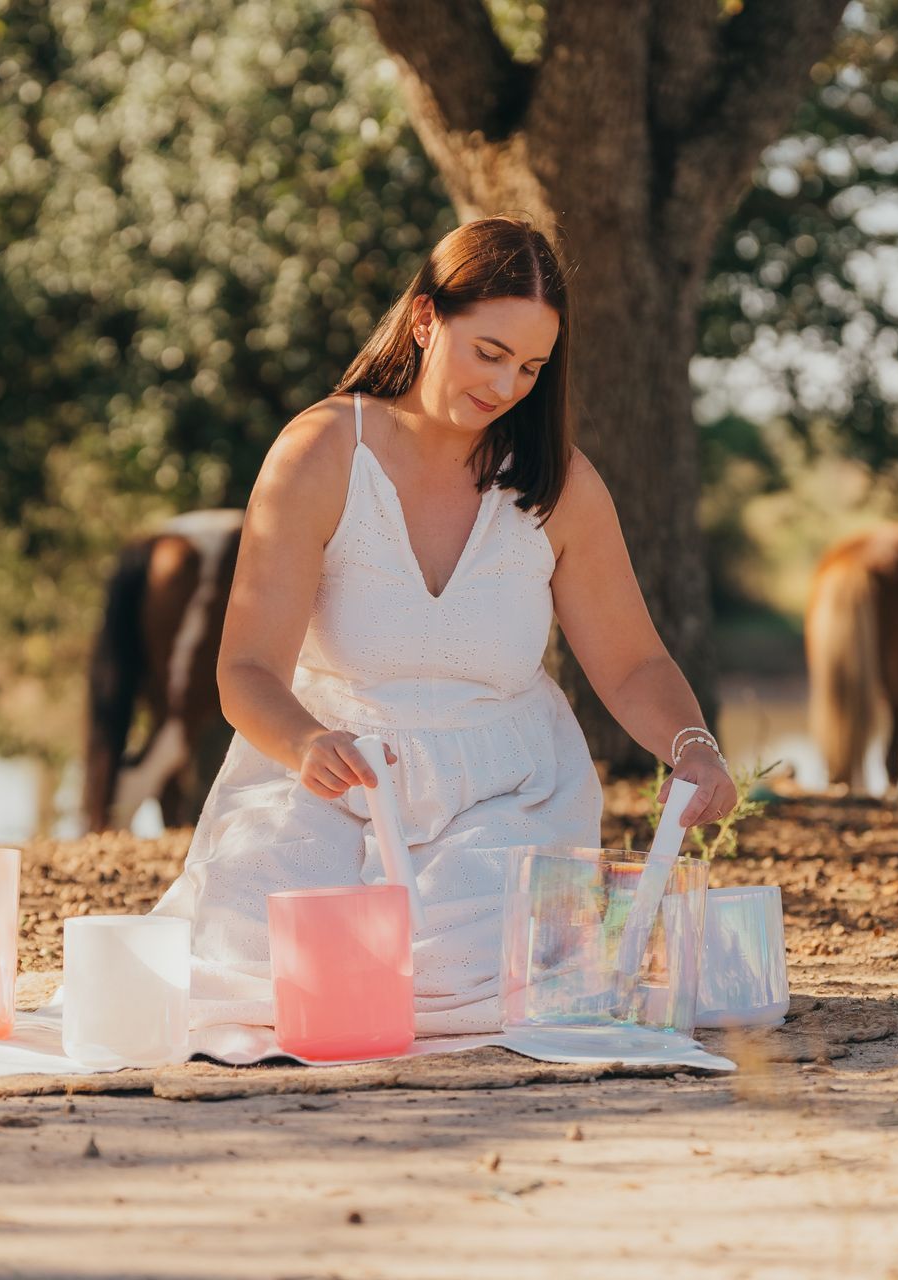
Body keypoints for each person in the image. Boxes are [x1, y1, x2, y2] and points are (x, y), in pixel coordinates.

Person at [151, 216, 737, 1056]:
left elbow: (634, 661)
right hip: (327, 778)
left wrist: (692, 744)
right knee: (257, 964)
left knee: (449, 972)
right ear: (427, 320)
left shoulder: (560, 486)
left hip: (505, 792)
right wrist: (308, 742)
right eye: (488, 352)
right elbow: (244, 671)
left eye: (532, 367)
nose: (506, 386)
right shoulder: (321, 453)